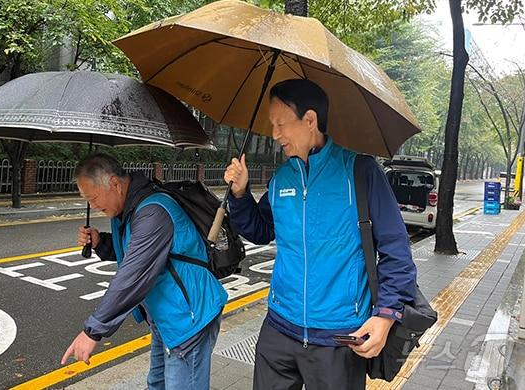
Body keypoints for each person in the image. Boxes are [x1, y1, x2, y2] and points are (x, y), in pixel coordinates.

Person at [224, 79, 417, 389]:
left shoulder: (361, 172)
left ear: (310, 120)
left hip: (338, 337)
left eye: (281, 124)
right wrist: (241, 193)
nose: (275, 135)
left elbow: (396, 251)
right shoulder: (282, 177)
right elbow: (260, 231)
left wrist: (385, 317)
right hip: (279, 329)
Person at [60, 153, 227, 389]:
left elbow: (133, 274)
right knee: (156, 383)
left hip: (189, 317)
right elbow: (133, 250)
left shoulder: (153, 211)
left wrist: (93, 331)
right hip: (165, 315)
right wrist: (101, 243)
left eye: (93, 198)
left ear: (114, 184)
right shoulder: (131, 208)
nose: (93, 206)